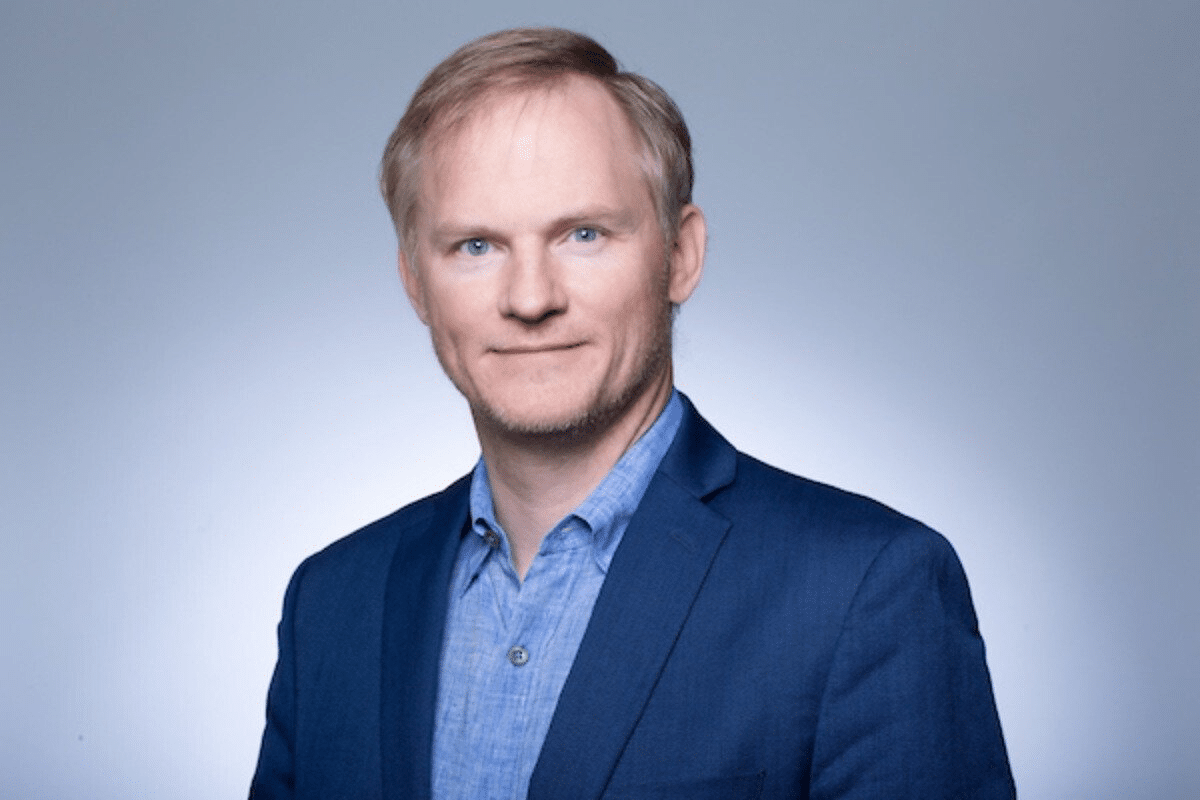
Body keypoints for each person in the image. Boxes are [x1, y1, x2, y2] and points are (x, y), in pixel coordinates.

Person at [250, 27, 1015, 800]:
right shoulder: (331, 602)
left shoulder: (865, 590)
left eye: (583, 234)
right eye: (476, 246)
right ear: (416, 281)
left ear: (680, 256)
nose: (530, 298)